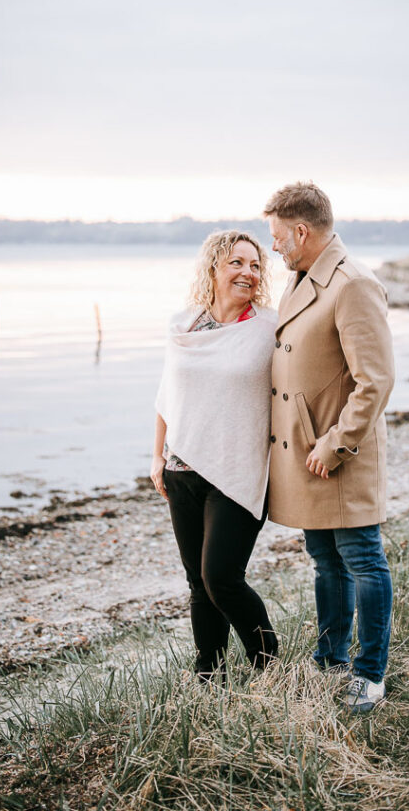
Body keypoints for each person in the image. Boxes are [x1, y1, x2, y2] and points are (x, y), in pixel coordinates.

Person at [264, 182, 395, 713]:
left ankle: (370, 674)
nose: (272, 247)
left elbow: (376, 381)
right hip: (304, 455)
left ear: (301, 230)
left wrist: (336, 444)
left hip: (340, 455)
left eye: (276, 236)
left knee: (363, 560)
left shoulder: (353, 285)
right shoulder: (299, 279)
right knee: (324, 561)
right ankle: (330, 657)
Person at [151, 229, 278, 681]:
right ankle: (210, 674)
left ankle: (270, 667)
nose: (248, 272)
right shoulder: (185, 326)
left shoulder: (268, 328)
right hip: (182, 468)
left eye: (255, 265)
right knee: (198, 585)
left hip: (238, 472)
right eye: (236, 263)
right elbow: (168, 396)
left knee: (221, 578)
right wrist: (156, 458)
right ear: (213, 268)